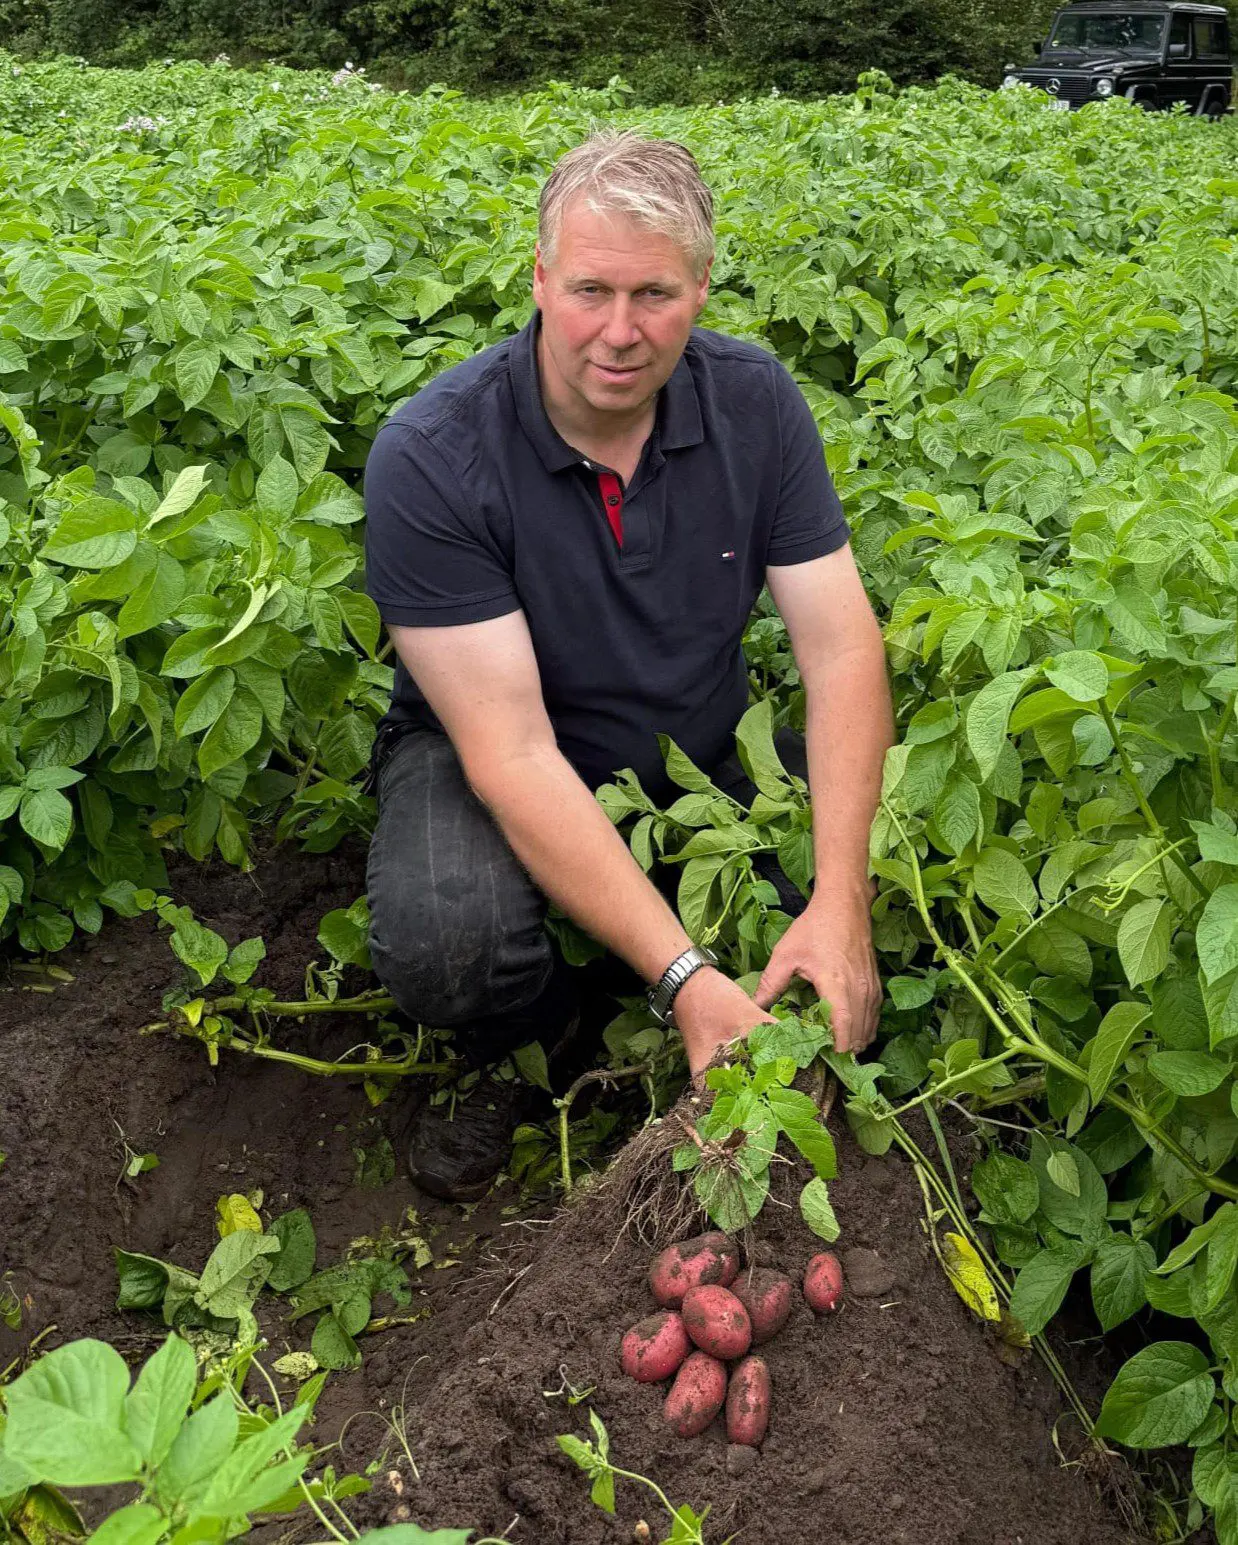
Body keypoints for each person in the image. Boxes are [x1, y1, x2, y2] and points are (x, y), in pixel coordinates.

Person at [362, 130, 894, 1201]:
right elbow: (512, 753)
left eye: (652, 294)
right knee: (447, 940)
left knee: (879, 901)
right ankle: (533, 1035)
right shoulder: (432, 456)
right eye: (590, 291)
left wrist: (840, 901)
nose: (618, 332)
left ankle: (698, 981)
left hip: (694, 748)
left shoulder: (755, 404)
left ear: (701, 285)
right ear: (539, 278)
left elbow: (841, 649)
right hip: (491, 755)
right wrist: (686, 976)